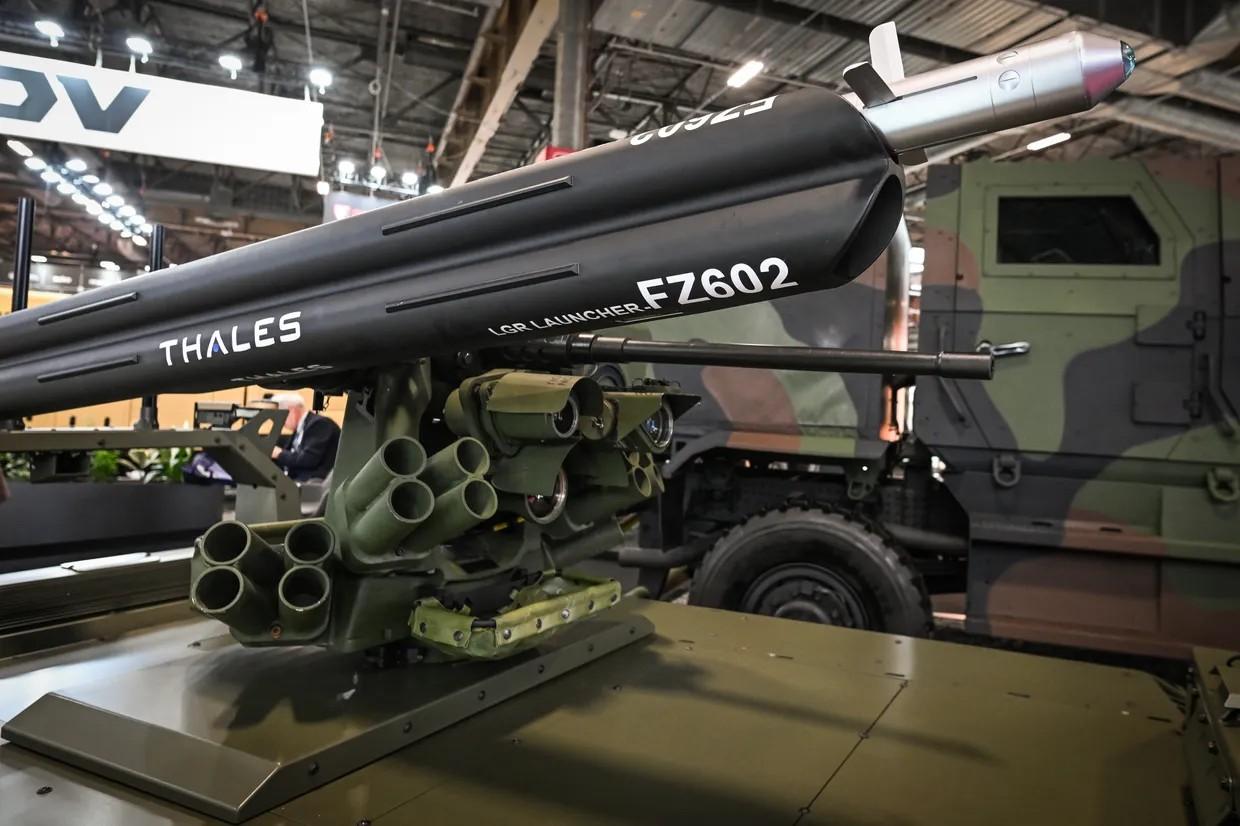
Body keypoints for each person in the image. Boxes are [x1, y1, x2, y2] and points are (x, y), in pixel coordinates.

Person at [270, 393, 340, 482]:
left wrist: (279, 453)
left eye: (279, 415)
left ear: (291, 410)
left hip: (314, 482)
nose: (281, 421)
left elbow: (308, 459)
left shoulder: (320, 424)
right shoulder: (301, 428)